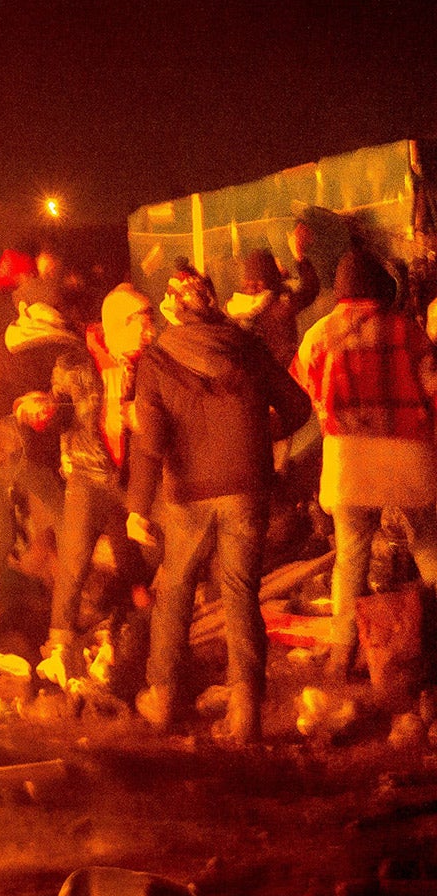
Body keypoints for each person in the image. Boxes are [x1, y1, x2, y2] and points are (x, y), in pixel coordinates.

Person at [130, 265, 310, 743]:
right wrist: (259, 437)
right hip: (247, 487)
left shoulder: (157, 359)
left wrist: (136, 506)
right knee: (240, 593)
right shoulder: (246, 347)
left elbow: (151, 441)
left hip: (188, 493)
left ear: (174, 308)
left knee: (175, 590)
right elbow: (298, 406)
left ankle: (164, 697)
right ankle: (246, 708)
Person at [293, 247, 437, 681]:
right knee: (429, 549)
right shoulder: (407, 331)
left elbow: (303, 385)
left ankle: (342, 653)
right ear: (379, 287)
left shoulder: (319, 334)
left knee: (350, 557)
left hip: (348, 458)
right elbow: (433, 387)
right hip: (408, 455)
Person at [46, 284, 156, 681]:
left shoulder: (146, 363)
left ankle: (141, 626)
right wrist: (42, 415)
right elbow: (60, 413)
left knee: (136, 556)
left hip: (128, 475)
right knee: (74, 562)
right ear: (118, 324)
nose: (150, 332)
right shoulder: (75, 362)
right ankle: (58, 645)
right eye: (142, 323)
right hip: (88, 476)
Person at [0, 278, 80, 632]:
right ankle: (68, 607)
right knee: (63, 515)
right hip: (12, 443)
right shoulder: (54, 346)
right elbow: (55, 408)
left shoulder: (7, 339)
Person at [226, 225, 320, 368]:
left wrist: (278, 278)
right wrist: (299, 255)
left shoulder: (232, 307)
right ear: (270, 277)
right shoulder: (280, 307)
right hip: (281, 374)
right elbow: (310, 289)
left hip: (252, 377)